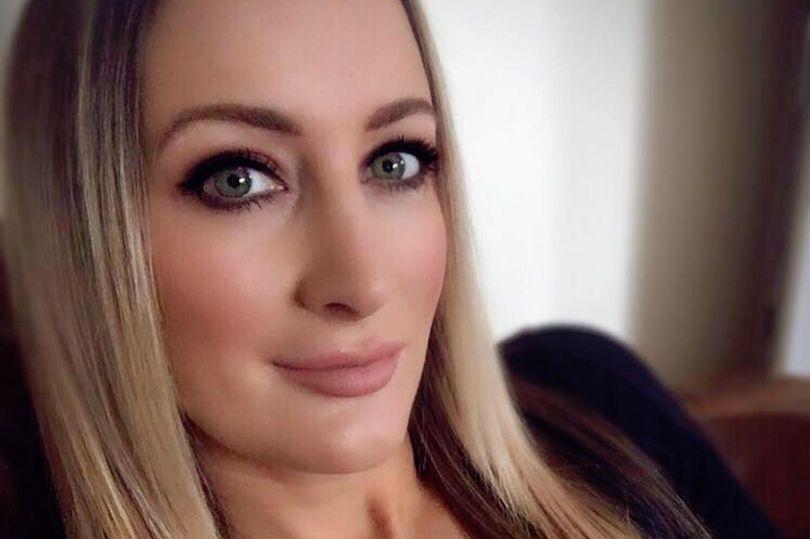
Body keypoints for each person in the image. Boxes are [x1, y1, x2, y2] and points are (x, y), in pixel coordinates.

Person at [0, 1, 779, 538]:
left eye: (396, 160)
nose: (363, 283)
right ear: (84, 239)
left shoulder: (599, 400)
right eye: (238, 178)